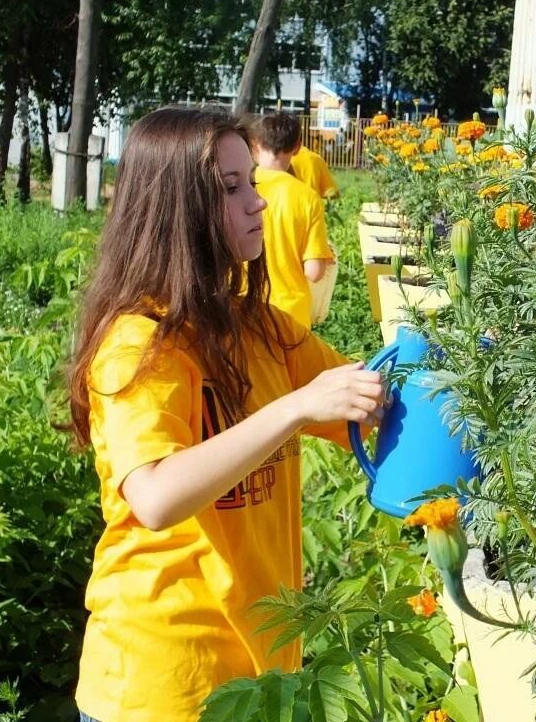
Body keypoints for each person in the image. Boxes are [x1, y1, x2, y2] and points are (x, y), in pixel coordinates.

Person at [66, 108, 386, 722]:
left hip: (262, 677)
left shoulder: (261, 327)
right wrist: (294, 409)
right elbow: (155, 497)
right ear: (176, 209)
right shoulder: (141, 344)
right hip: (162, 686)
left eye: (252, 183)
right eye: (232, 188)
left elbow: (372, 402)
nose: (257, 204)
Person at [247, 111, 334, 329]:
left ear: (255, 143)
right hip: (290, 315)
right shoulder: (307, 198)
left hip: (242, 306)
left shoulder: (239, 186)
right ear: (297, 146)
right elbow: (314, 273)